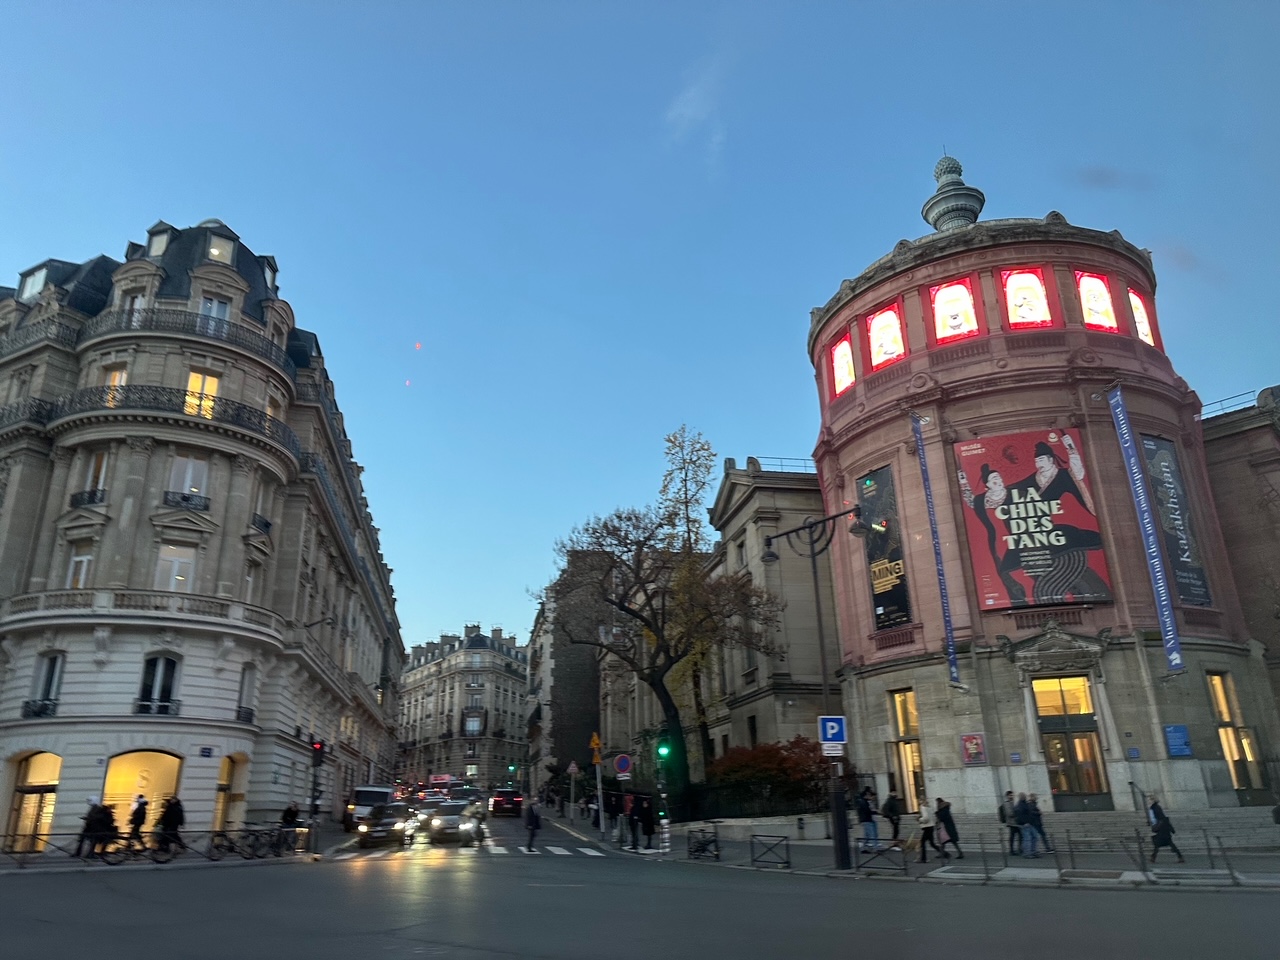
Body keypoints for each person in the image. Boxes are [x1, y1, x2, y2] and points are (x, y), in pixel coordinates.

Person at [1149, 795, 1185, 864]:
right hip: (1163, 828)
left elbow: (1160, 818)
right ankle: (1180, 857)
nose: (1149, 801)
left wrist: (1155, 827)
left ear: (1153, 800)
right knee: (1167, 843)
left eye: (1150, 800)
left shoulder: (1155, 808)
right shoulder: (1155, 807)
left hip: (1161, 829)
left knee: (1159, 844)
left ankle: (1153, 858)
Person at [916, 798, 945, 863]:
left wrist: (919, 819)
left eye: (920, 800)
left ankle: (923, 859)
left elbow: (926, 818)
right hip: (931, 826)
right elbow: (933, 817)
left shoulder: (923, 807)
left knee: (923, 842)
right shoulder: (930, 807)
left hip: (927, 827)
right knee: (931, 843)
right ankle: (945, 853)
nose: (919, 802)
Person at [855, 788, 880, 852]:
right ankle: (875, 848)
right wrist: (876, 812)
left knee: (867, 835)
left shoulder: (863, 802)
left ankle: (863, 847)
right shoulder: (863, 802)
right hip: (866, 819)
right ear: (866, 795)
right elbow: (867, 811)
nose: (869, 796)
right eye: (868, 794)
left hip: (866, 819)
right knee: (872, 834)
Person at [1014, 792, 1038, 858]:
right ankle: (1027, 853)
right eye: (1024, 796)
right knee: (1027, 838)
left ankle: (1032, 851)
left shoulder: (1024, 804)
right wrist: (1025, 822)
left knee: (1034, 837)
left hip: (1029, 823)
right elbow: (1020, 816)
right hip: (1025, 824)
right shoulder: (1020, 805)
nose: (1025, 797)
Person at [999, 790, 1021, 856]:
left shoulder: (1013, 803)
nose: (1012, 796)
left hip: (1016, 823)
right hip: (1012, 823)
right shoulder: (1007, 804)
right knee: (1012, 837)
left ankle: (1019, 848)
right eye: (1010, 795)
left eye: (1012, 795)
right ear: (1007, 796)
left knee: (1019, 836)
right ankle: (1012, 850)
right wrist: (1017, 813)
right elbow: (1009, 813)